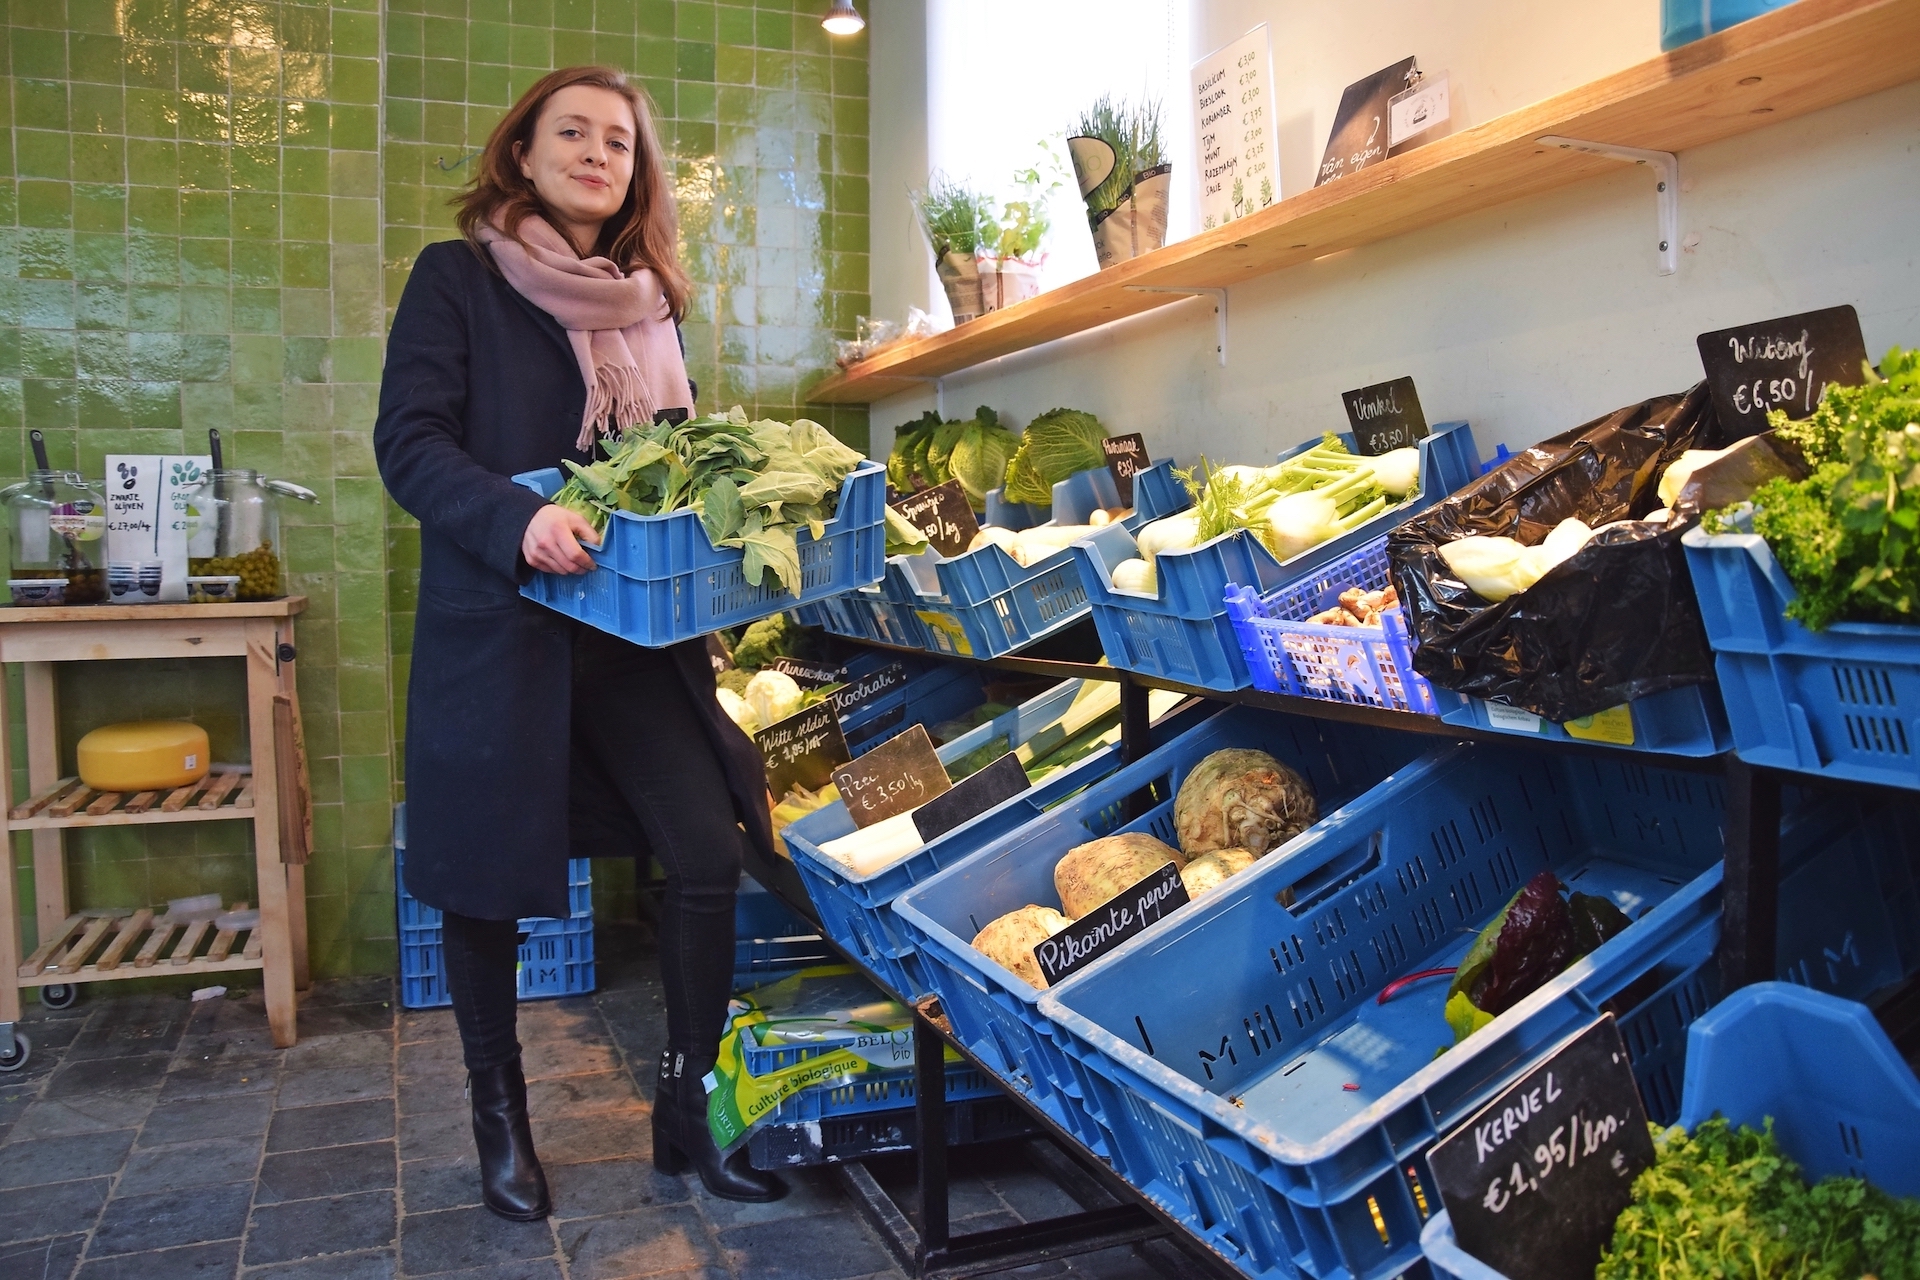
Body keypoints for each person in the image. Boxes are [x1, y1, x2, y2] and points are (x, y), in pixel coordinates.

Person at [374, 65, 785, 1219]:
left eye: (618, 139)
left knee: (704, 851)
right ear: (524, 151)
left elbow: (676, 465)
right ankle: (500, 1120)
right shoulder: (456, 280)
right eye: (573, 131)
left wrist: (737, 531)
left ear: (636, 171)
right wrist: (522, 518)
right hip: (505, 633)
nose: (598, 152)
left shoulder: (650, 303)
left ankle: (685, 1115)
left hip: (632, 643)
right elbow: (409, 442)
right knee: (485, 888)